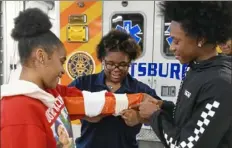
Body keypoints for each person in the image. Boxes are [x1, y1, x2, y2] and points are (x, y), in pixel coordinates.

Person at [0, 8, 147, 148]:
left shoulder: (50, 93)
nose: (62, 70)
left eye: (123, 65)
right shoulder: (19, 113)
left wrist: (141, 105)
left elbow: (87, 100)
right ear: (41, 56)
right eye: (61, 61)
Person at [131, 2, 232, 148]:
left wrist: (154, 116)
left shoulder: (219, 84)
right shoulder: (197, 68)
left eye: (176, 41)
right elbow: (189, 120)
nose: (172, 47)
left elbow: (185, 145)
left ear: (201, 39)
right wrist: (162, 107)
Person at [69, 29, 162, 148]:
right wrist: (85, 114)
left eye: (123, 65)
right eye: (110, 64)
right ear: (102, 60)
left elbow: (161, 115)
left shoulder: (140, 90)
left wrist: (139, 118)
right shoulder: (84, 84)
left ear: (130, 62)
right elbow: (60, 105)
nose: (116, 69)